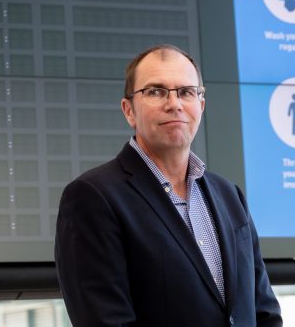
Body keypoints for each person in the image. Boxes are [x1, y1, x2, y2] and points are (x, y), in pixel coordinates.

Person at [55, 44, 282, 327]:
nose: (174, 103)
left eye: (186, 92)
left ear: (201, 105)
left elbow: (264, 312)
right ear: (129, 111)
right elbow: (106, 322)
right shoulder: (93, 197)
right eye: (155, 91)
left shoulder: (229, 196)